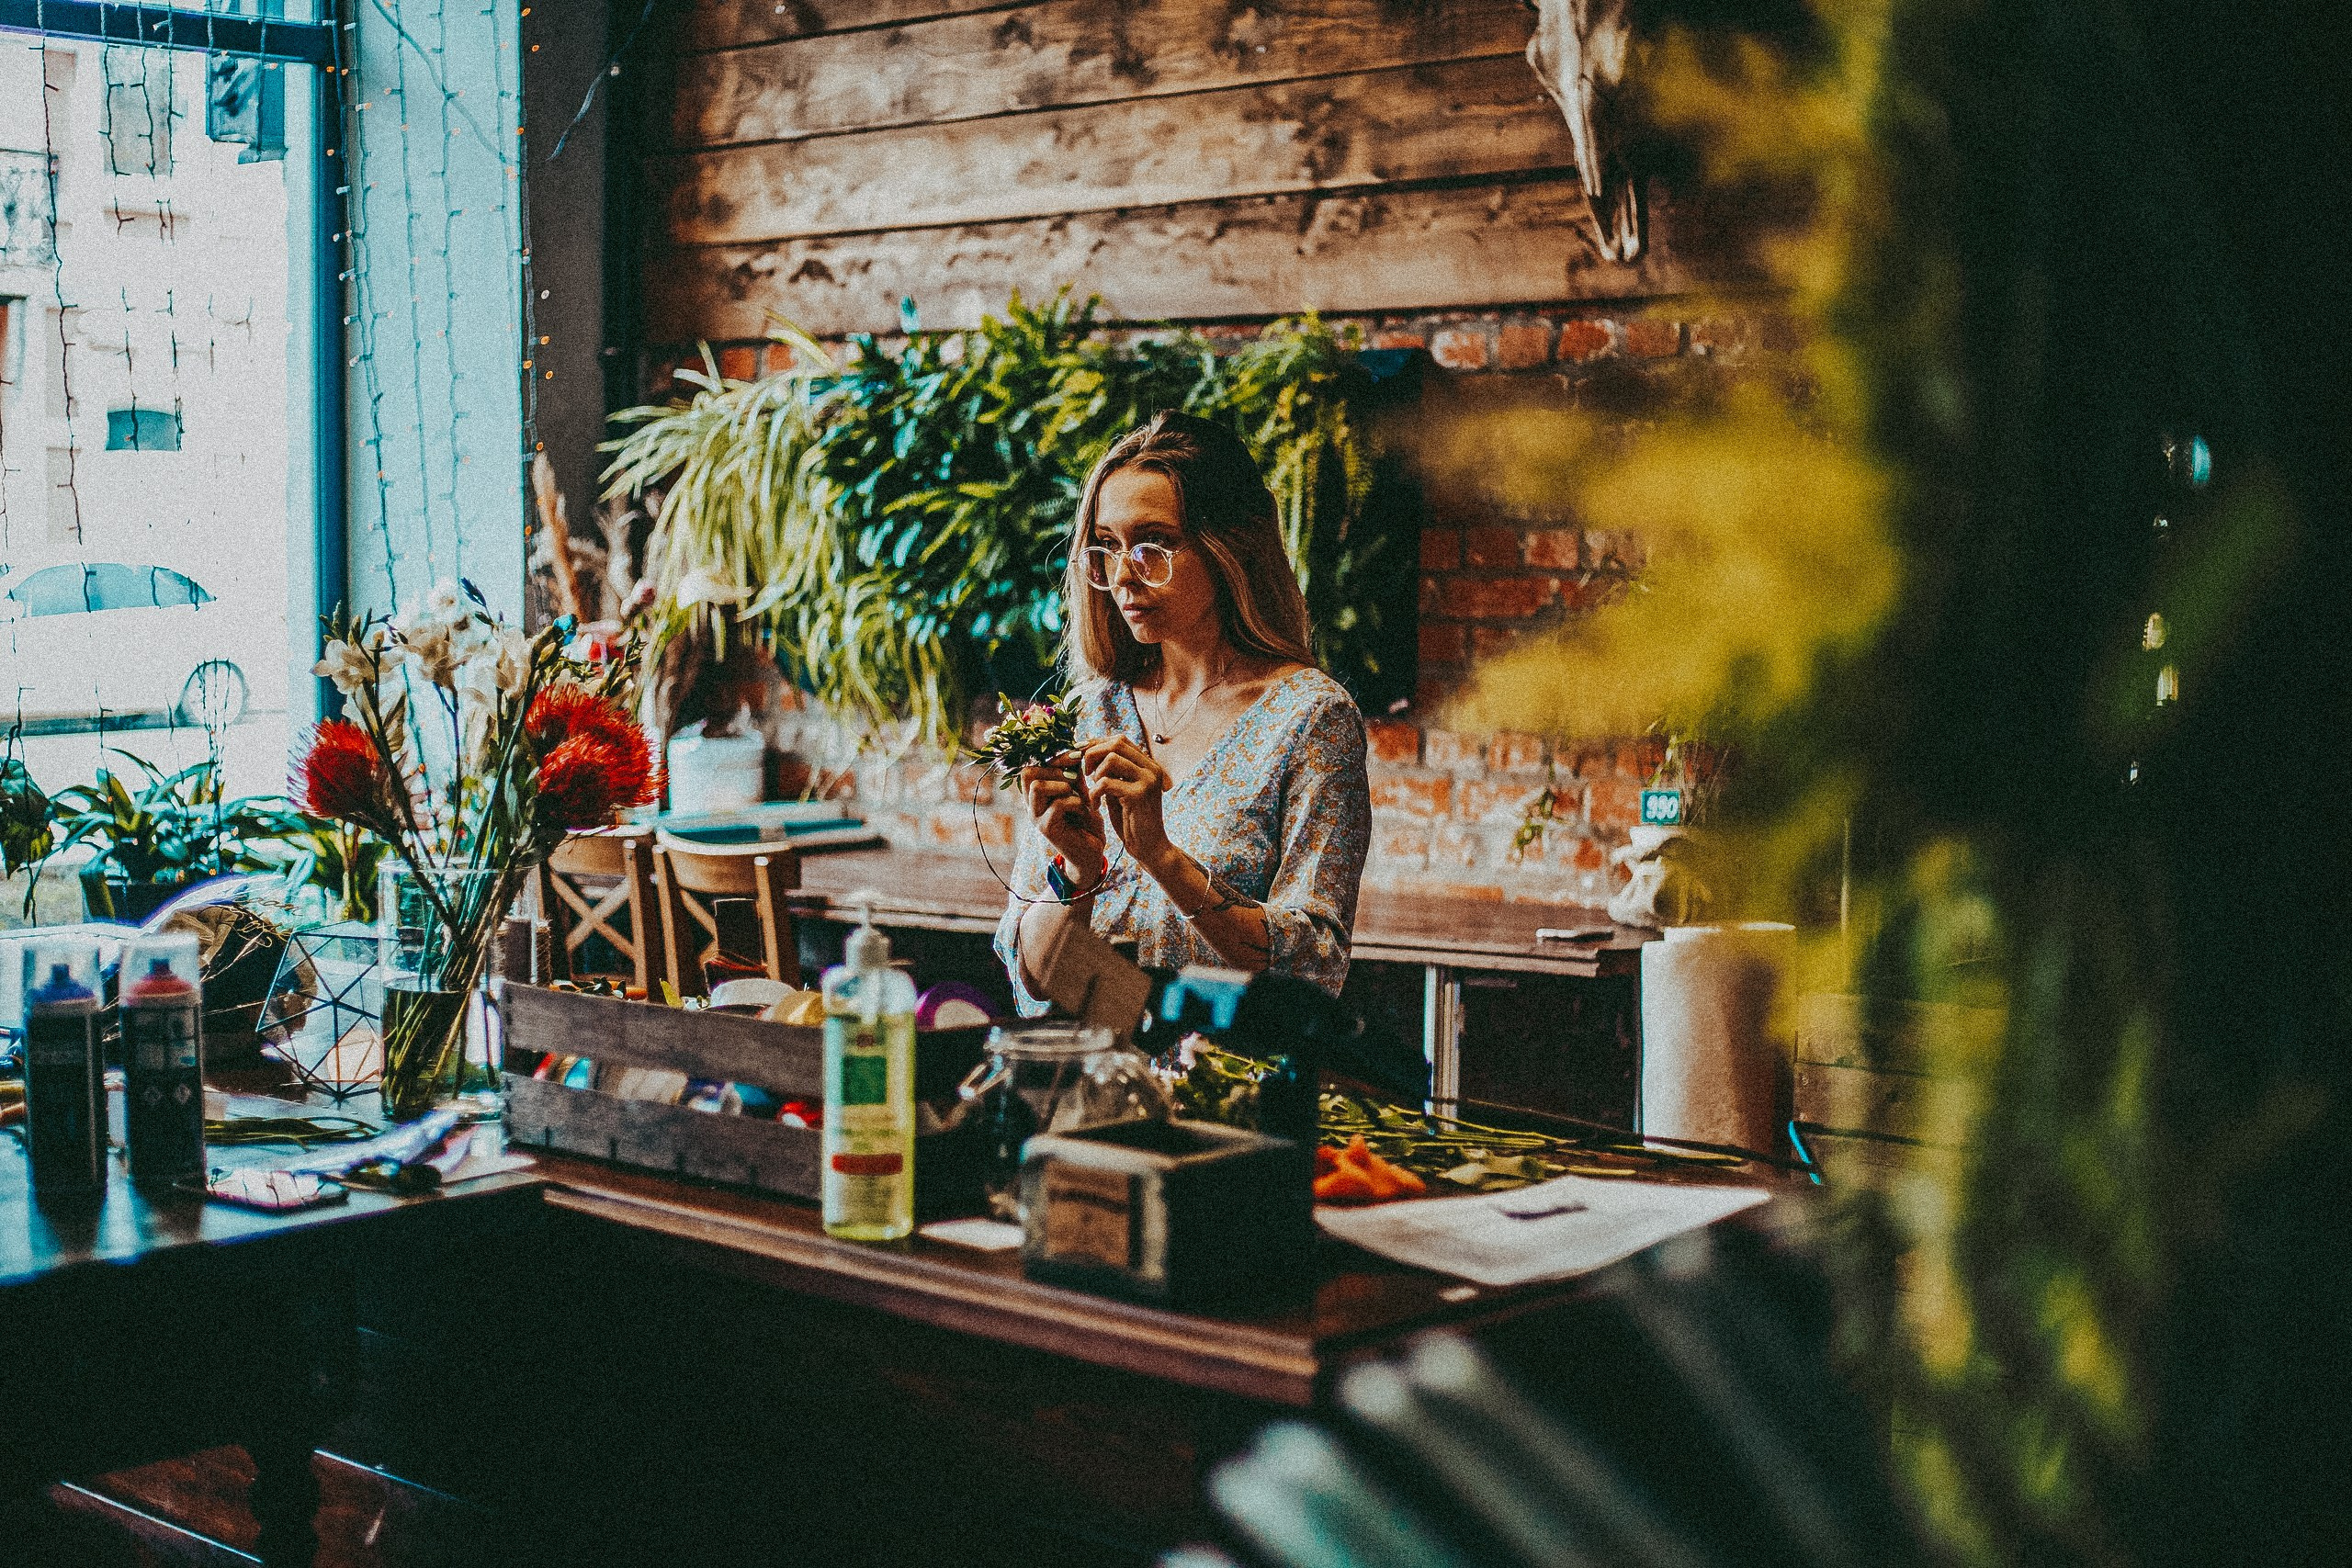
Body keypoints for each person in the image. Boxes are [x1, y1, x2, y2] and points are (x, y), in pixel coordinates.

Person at [992, 411, 1371, 1013]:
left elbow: (1313, 964)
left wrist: (1162, 857)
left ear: (1230, 548)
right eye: (1108, 547)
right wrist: (1077, 872)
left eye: (1154, 545)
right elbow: (1033, 977)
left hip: (1228, 1090)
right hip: (1096, 1083)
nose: (1122, 577)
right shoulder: (1096, 710)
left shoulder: (1310, 719)